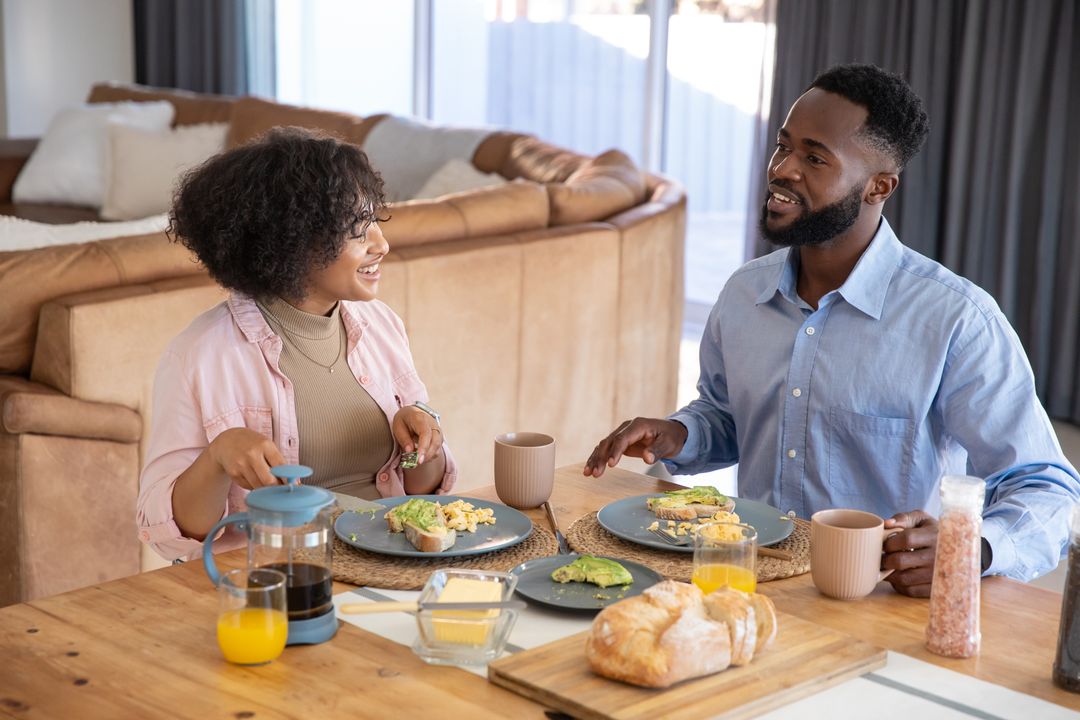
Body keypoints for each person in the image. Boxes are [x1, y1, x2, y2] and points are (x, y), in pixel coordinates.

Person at [584, 63, 1080, 597]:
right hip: (752, 584)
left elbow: (1045, 486)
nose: (782, 169)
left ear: (879, 187)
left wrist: (970, 546)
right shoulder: (743, 295)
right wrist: (680, 434)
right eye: (783, 146)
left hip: (885, 602)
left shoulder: (956, 319)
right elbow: (730, 416)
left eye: (814, 158)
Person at [137, 127, 455, 562]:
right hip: (279, 575)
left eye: (375, 222)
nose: (382, 244)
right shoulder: (199, 354)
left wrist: (423, 439)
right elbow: (167, 534)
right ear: (294, 241)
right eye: (358, 229)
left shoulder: (381, 326)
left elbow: (426, 492)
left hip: (394, 563)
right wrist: (217, 457)